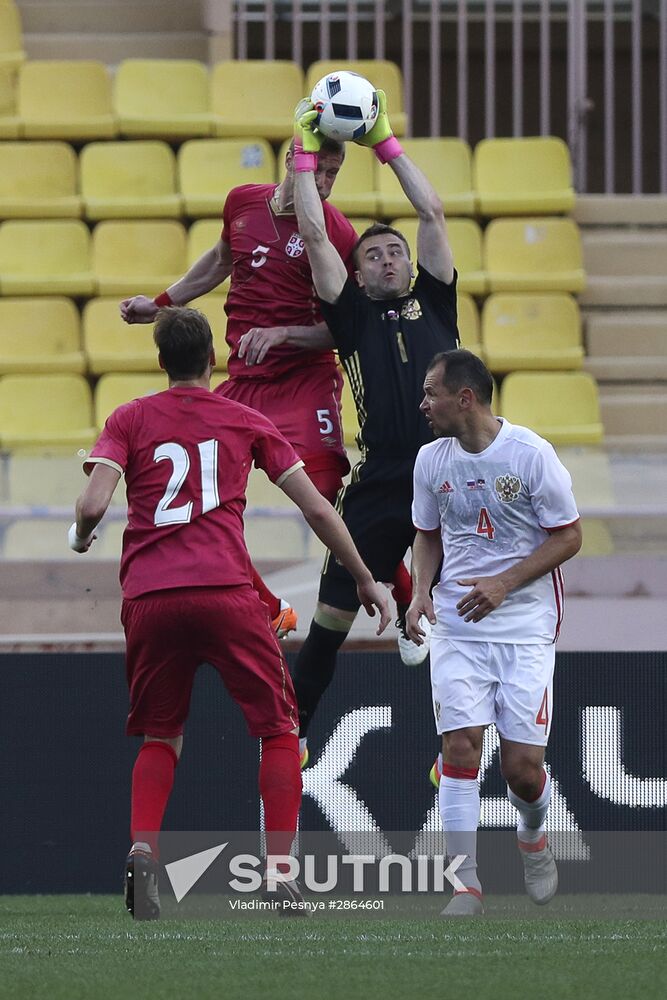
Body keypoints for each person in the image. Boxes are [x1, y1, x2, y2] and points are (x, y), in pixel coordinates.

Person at [68, 306, 390, 919]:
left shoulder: (129, 418)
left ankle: (142, 850)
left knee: (162, 734)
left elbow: (91, 503)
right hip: (225, 590)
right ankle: (278, 874)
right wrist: (365, 578)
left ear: (162, 362)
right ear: (212, 360)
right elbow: (321, 510)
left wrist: (82, 536)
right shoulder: (244, 419)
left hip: (150, 597)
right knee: (277, 729)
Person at [119, 137, 415, 654]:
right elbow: (219, 260)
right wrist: (162, 304)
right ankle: (269, 607)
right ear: (293, 165)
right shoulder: (241, 202)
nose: (322, 184)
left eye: (332, 175)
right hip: (244, 383)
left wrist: (282, 333)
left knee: (328, 503)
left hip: (304, 379)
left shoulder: (335, 232)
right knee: (199, 494)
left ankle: (409, 602)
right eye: (317, 172)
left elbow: (348, 327)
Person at [289, 92, 459, 766]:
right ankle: (291, 735)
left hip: (452, 473)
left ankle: (459, 744)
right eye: (374, 256)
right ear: (354, 274)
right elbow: (309, 235)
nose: (388, 260)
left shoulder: (435, 300)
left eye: (395, 254)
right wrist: (304, 157)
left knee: (465, 622)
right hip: (383, 478)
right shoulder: (351, 316)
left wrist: (385, 144)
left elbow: (432, 211)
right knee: (330, 618)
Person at [406, 349, 582, 917]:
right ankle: (466, 886)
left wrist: (505, 583)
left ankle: (532, 836)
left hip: (526, 626)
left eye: (431, 392)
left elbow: (569, 536)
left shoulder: (530, 456)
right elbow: (427, 534)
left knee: (521, 771)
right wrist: (418, 593)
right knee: (459, 749)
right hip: (458, 625)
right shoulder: (431, 461)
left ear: (465, 398)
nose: (423, 403)